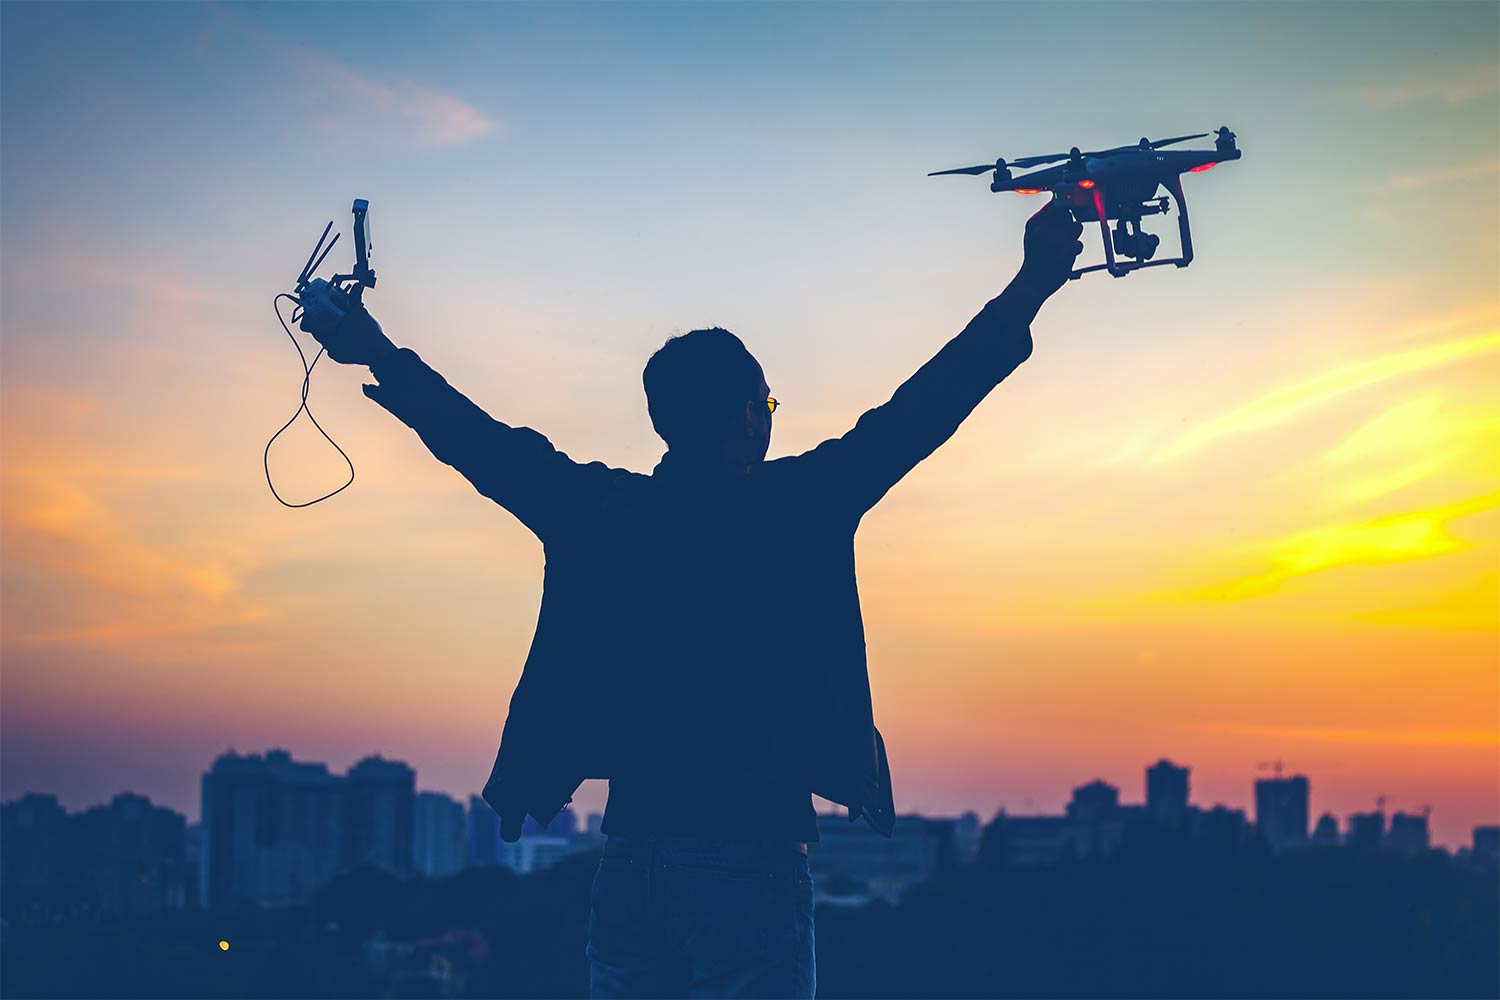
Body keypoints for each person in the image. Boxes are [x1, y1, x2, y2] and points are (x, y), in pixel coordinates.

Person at [301, 200, 1083, 998]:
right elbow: (930, 404)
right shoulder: (801, 502)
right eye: (770, 406)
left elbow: (476, 439)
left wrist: (373, 350)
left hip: (630, 861)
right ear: (749, 416)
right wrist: (1034, 281)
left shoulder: (596, 510)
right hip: (751, 863)